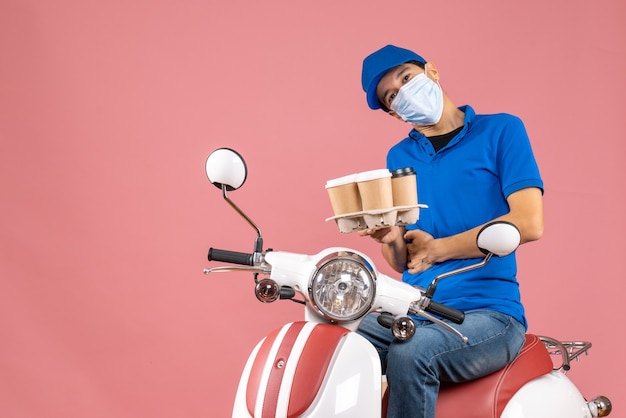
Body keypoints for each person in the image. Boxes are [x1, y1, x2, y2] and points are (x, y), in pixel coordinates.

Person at [356, 44, 544, 418]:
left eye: (406, 79)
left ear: (432, 72)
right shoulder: (400, 158)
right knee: (343, 339)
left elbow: (528, 222)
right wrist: (392, 238)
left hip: (488, 314)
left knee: (412, 349)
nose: (402, 93)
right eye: (392, 96)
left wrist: (439, 249)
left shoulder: (502, 130)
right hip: (415, 307)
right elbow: (408, 259)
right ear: (393, 113)